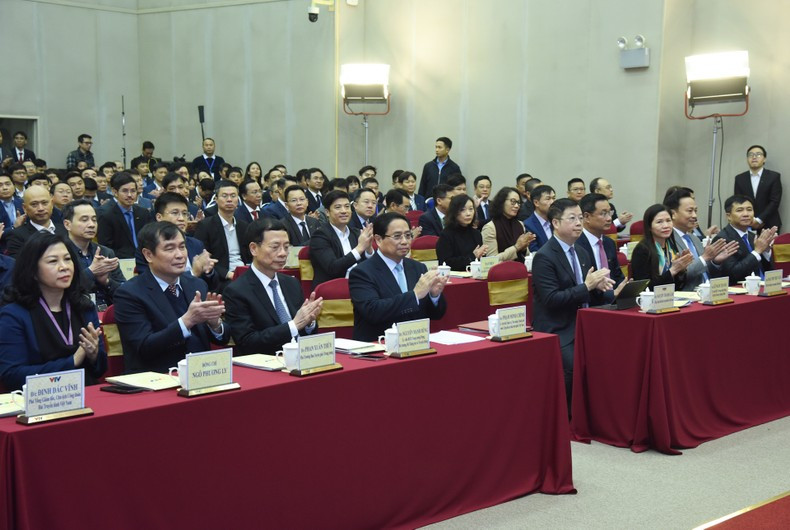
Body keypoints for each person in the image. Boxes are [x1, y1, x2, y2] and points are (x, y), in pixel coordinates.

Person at [531, 198, 618, 411]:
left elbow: (585, 292)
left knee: (613, 354)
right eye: (572, 218)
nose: (579, 223)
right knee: (572, 364)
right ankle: (569, 419)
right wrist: (587, 287)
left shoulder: (581, 251)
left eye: (580, 218)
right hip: (557, 327)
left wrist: (601, 288)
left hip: (583, 322)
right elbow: (552, 299)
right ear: (556, 223)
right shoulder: (544, 257)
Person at [114, 222, 231, 373]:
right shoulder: (129, 293)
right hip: (157, 379)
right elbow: (143, 347)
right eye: (170, 248)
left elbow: (221, 338)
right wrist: (187, 321)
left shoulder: (197, 285)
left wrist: (214, 324)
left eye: (182, 247)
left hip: (202, 374)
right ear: (148, 255)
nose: (180, 255)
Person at [0, 232, 106, 390]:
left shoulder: (84, 307)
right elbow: (12, 375)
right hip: (39, 401)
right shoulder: (14, 315)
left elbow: (100, 370)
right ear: (33, 271)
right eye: (53, 261)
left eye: (68, 259)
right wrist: (73, 361)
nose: (64, 267)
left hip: (86, 394)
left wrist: (93, 355)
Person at [223, 219, 323, 355]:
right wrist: (294, 325)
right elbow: (247, 341)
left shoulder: (291, 283)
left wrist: (309, 322)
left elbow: (304, 331)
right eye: (275, 247)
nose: (282, 253)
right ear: (254, 249)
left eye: (286, 247)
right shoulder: (237, 291)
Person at [349, 212, 448, 341]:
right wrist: (415, 295)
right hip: (379, 345)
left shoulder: (418, 267)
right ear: (378, 239)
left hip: (415, 341)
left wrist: (434, 296)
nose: (404, 241)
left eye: (408, 235)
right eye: (397, 236)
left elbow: (436, 315)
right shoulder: (362, 272)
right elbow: (373, 311)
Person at [135, 193, 218, 289]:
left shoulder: (196, 244)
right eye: (175, 213)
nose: (181, 219)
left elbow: (213, 284)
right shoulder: (149, 246)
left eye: (184, 214)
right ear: (159, 217)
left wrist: (209, 271)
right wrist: (193, 273)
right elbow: (149, 286)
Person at [664, 189, 738, 290]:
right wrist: (705, 258)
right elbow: (680, 275)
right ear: (673, 214)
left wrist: (715, 262)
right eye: (690, 211)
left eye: (696, 211)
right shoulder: (668, 240)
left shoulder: (694, 238)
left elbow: (704, 271)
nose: (694, 216)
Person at [63, 200, 126, 309]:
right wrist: (91, 272)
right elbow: (63, 291)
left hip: (109, 313)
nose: (91, 225)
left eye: (94, 220)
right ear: (67, 224)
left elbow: (125, 290)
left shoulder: (105, 252)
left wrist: (106, 282)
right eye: (84, 220)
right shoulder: (61, 253)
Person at [309, 190, 374, 288]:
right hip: (332, 291)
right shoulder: (320, 235)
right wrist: (360, 248)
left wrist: (369, 249)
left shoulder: (356, 233)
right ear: (327, 212)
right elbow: (333, 268)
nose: (344, 211)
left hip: (358, 286)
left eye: (347, 206)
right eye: (338, 207)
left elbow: (370, 265)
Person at [193, 180, 250, 289]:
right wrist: (227, 274)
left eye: (233, 196)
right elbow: (203, 257)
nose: (229, 200)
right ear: (216, 199)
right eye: (224, 196)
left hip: (244, 273)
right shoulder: (206, 225)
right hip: (221, 278)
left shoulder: (243, 226)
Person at [712, 195, 777, 284]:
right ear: (729, 216)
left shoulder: (752, 236)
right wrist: (757, 251)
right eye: (739, 210)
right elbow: (733, 274)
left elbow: (767, 270)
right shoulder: (722, 239)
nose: (746, 214)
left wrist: (766, 251)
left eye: (749, 209)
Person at [630, 204, 694, 290]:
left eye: (668, 220)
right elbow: (644, 288)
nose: (666, 226)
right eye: (659, 222)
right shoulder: (642, 250)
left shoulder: (670, 246)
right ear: (649, 226)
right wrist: (673, 270)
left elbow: (677, 286)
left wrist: (681, 270)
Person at [576, 193, 627, 300]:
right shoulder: (576, 244)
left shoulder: (609, 243)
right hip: (590, 303)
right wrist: (611, 295)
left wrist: (625, 287)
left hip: (613, 302)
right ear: (586, 217)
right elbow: (581, 285)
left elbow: (617, 275)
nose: (609, 218)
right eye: (603, 214)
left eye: (610, 213)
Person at [97, 173, 153, 259]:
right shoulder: (107, 216)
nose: (130, 195)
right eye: (125, 191)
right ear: (115, 192)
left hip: (145, 258)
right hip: (120, 260)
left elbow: (149, 239)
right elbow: (105, 247)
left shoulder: (143, 213)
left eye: (133, 191)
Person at [7, 185, 68, 257]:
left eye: (44, 203)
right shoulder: (17, 236)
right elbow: (19, 266)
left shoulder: (65, 230)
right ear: (25, 208)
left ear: (52, 204)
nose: (41, 208)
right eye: (34, 204)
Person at [733, 145, 782, 232]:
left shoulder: (774, 176)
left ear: (764, 159)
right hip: (746, 224)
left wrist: (759, 220)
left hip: (769, 224)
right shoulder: (740, 178)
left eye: (758, 154)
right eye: (750, 155)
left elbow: (774, 201)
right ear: (747, 159)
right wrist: (750, 220)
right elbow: (738, 202)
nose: (754, 157)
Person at [482, 187, 534, 262]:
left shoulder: (520, 224)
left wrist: (524, 248)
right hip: (500, 272)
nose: (516, 206)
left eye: (518, 203)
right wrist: (516, 247)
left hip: (520, 269)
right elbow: (491, 261)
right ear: (501, 202)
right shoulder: (490, 227)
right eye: (513, 201)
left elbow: (527, 256)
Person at [437, 195, 488, 271]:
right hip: (455, 278)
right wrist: (472, 256)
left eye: (471, 209)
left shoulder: (476, 234)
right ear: (454, 212)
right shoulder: (446, 235)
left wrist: (482, 255)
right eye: (462, 210)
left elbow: (480, 260)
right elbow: (445, 263)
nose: (468, 213)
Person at [523, 185, 556, 253]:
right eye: (548, 199)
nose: (552, 202)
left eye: (553, 198)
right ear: (536, 203)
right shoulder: (528, 225)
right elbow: (534, 251)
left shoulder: (556, 221)